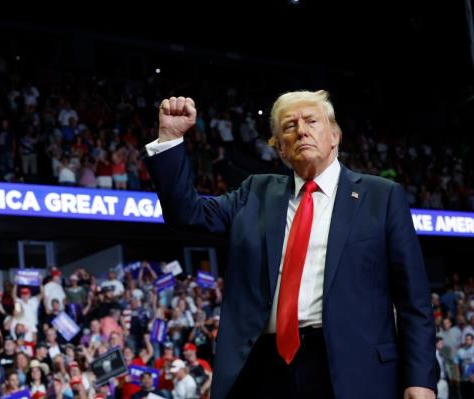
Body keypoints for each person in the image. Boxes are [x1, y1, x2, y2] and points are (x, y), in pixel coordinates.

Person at [143, 92, 436, 399]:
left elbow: (413, 300)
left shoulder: (382, 196)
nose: (301, 130)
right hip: (263, 370)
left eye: (311, 121)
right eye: (289, 126)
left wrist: (420, 380)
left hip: (352, 371)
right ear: (280, 148)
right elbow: (187, 214)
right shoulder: (254, 192)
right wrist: (171, 139)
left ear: (335, 136)